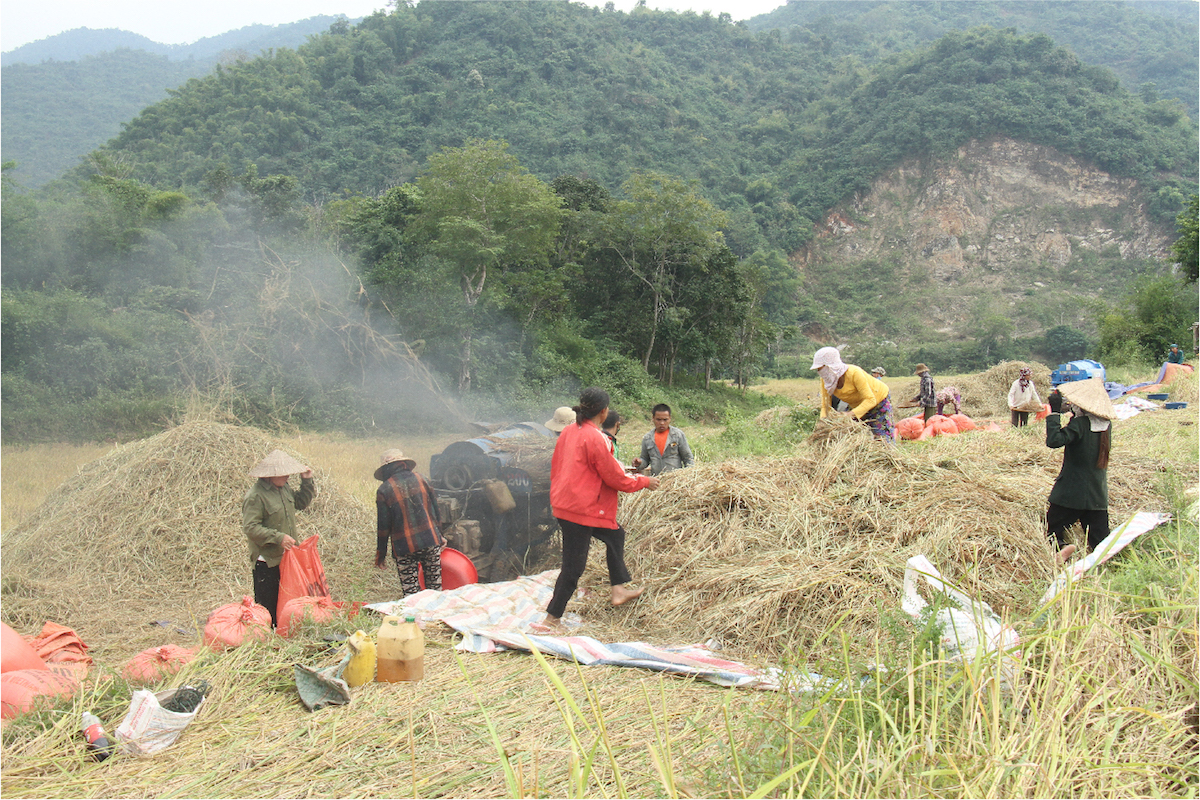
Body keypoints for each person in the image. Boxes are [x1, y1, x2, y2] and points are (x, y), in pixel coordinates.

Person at [538, 388, 660, 631]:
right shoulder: (595, 438)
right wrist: (645, 482)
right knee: (573, 568)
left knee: (615, 534)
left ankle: (618, 589)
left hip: (568, 502)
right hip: (580, 509)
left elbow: (558, 465)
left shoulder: (571, 431)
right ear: (603, 412)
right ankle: (551, 620)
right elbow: (614, 478)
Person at [242, 449, 316, 628]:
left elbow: (300, 503)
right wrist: (278, 537)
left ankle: (285, 631)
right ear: (270, 475)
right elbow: (251, 528)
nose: (288, 477)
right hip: (267, 560)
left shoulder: (283, 488)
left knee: (288, 601)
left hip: (286, 557)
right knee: (269, 604)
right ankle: (269, 638)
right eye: (284, 474)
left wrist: (306, 481)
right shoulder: (256, 496)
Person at [1045, 377, 1115, 562]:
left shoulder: (1080, 424)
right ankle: (1107, 568)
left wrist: (1054, 413)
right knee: (1101, 542)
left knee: (1052, 530)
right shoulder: (1106, 426)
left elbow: (1054, 441)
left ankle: (1060, 550)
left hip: (1071, 492)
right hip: (1096, 496)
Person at [375, 448, 444, 596]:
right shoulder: (422, 479)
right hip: (430, 541)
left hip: (404, 547)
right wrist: (440, 535)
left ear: (386, 469)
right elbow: (435, 511)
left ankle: (414, 617)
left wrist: (381, 554)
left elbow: (383, 526)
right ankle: (435, 617)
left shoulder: (384, 489)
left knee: (411, 594)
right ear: (403, 463)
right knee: (435, 590)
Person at [811, 347, 896, 441]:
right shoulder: (826, 381)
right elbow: (826, 406)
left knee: (882, 438)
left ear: (831, 366)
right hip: (858, 404)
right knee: (848, 434)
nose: (819, 372)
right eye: (818, 369)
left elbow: (870, 400)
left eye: (821, 368)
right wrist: (823, 422)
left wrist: (849, 414)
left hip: (879, 401)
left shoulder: (854, 373)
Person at [632, 404, 695, 476]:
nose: (662, 423)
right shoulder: (647, 438)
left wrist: (689, 475)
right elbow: (645, 460)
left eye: (665, 420)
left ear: (670, 418)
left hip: (675, 481)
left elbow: (688, 458)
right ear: (653, 418)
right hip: (656, 481)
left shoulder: (678, 435)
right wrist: (639, 463)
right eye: (658, 419)